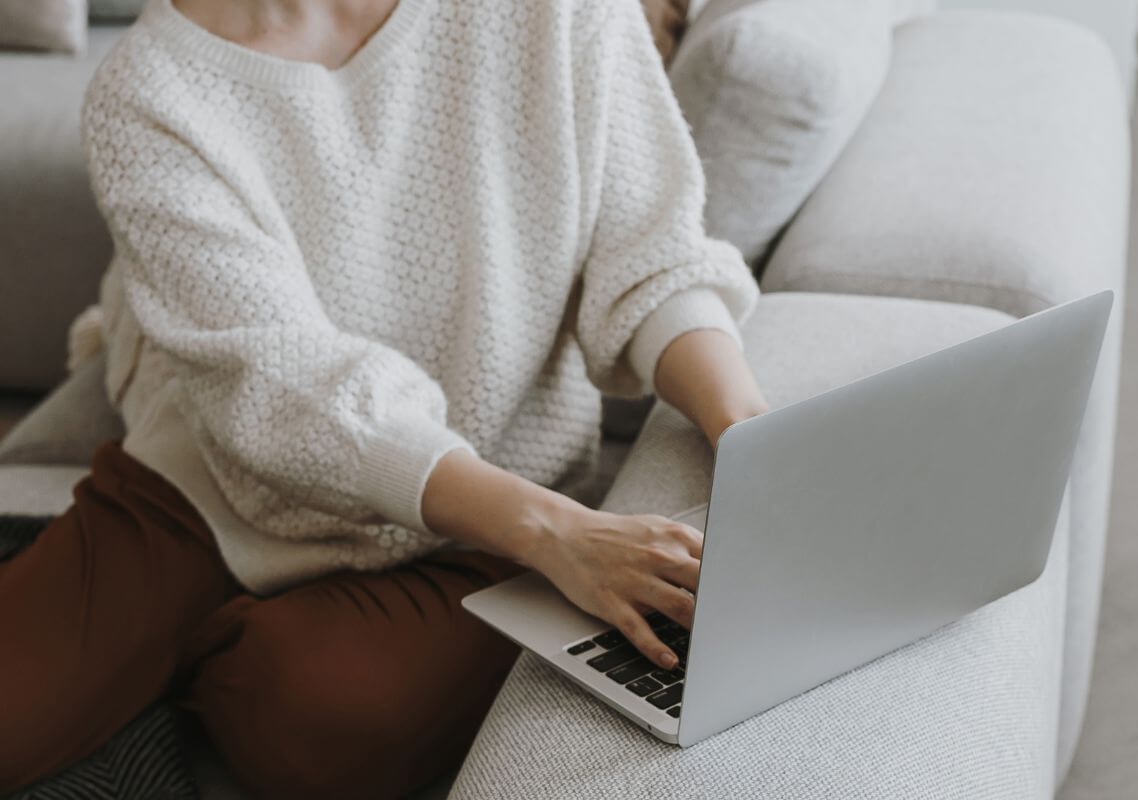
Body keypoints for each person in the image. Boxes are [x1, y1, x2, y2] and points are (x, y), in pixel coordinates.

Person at [0, 0, 767, 796]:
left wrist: (744, 428)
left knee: (306, 716)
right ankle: (180, 646)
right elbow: (281, 387)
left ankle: (191, 661)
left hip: (482, 512)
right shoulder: (146, 90)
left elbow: (654, 262)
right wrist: (558, 534)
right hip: (212, 490)